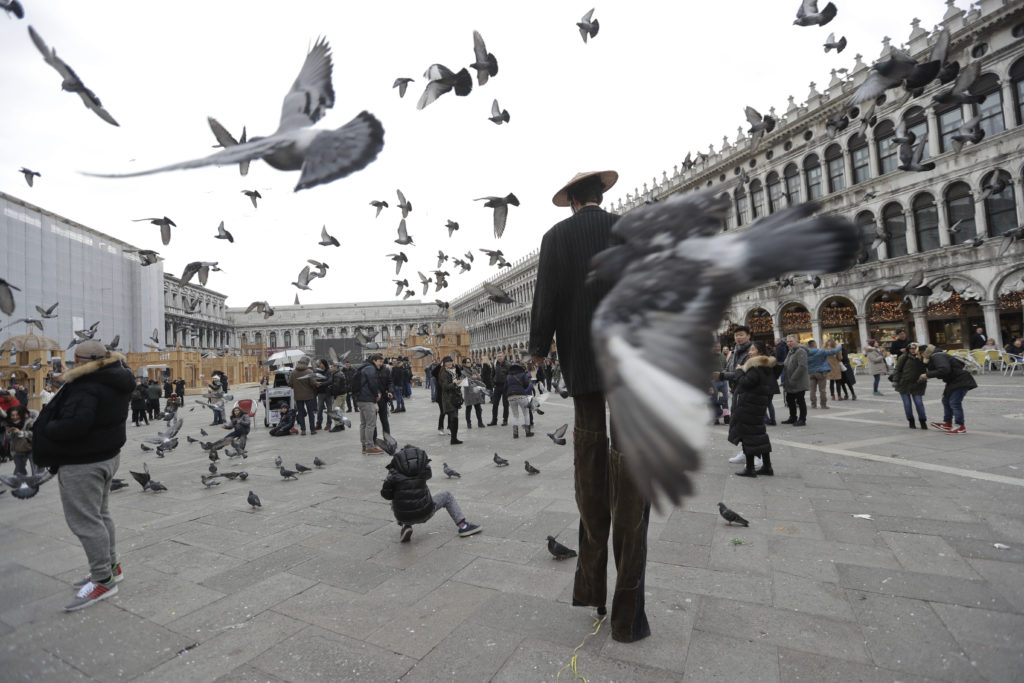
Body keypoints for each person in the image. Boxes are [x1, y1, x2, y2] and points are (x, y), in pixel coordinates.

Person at [528, 169, 650, 643]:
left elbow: (547, 298)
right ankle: (627, 618)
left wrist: (539, 349)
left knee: (589, 467)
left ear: (573, 202)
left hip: (582, 362)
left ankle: (594, 590)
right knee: (630, 476)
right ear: (600, 197)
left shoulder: (556, 237)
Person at [31, 341, 134, 612]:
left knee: (86, 521)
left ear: (78, 359)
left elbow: (74, 425)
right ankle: (112, 566)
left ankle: (102, 580)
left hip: (83, 462)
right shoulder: (115, 376)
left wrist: (46, 427)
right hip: (107, 455)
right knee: (101, 514)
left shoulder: (86, 386)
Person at [380, 441, 481, 543]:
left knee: (395, 497)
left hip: (403, 517)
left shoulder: (393, 473)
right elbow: (429, 475)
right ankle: (463, 526)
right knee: (447, 496)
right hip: (425, 512)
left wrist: (392, 472)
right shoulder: (423, 469)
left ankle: (406, 526)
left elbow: (386, 495)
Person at [726, 341, 776, 477]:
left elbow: (745, 382)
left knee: (748, 435)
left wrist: (738, 371)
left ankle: (750, 468)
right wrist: (723, 375)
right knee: (760, 435)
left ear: (759, 352)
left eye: (752, 350)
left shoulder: (755, 366)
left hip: (749, 404)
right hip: (757, 405)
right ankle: (767, 466)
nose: (749, 352)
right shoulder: (765, 365)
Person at [920, 344, 977, 434]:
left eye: (920, 354)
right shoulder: (936, 356)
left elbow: (944, 369)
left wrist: (927, 375)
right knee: (946, 401)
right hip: (953, 381)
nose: (920, 356)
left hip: (960, 380)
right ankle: (948, 424)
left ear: (924, 352)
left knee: (954, 402)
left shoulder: (937, 356)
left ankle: (960, 426)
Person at [889, 341, 928, 429]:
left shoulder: (922, 358)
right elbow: (897, 369)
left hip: (918, 384)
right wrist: (895, 381)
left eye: (914, 349)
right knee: (907, 404)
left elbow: (927, 369)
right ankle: (911, 420)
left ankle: (922, 421)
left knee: (919, 403)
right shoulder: (904, 357)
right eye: (911, 349)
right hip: (904, 384)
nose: (913, 350)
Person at [356, 354, 384, 454]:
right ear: (374, 361)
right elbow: (373, 383)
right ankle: (369, 447)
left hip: (360, 399)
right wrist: (376, 394)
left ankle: (364, 445)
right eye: (380, 361)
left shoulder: (363, 367)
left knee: (363, 423)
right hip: (367, 399)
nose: (381, 364)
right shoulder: (371, 368)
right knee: (370, 424)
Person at [807, 339, 843, 409]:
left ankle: (813, 405)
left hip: (811, 373)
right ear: (814, 345)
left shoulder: (806, 352)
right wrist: (839, 346)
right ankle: (823, 405)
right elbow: (833, 352)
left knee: (812, 390)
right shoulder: (820, 351)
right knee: (822, 390)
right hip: (821, 372)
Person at [781, 335, 809, 426]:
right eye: (787, 341)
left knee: (800, 400)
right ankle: (793, 417)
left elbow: (802, 366)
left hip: (798, 381)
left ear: (797, 341)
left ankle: (802, 419)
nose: (789, 343)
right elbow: (786, 364)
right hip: (789, 381)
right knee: (790, 400)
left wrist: (793, 378)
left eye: (791, 341)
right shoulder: (790, 351)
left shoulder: (801, 351)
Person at [287, 356, 318, 435]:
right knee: (311, 413)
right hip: (309, 396)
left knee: (300, 413)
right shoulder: (309, 372)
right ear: (307, 363)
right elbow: (313, 383)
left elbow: (290, 384)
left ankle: (303, 430)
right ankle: (312, 429)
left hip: (298, 396)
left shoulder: (293, 372)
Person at [436, 356, 463, 445]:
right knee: (453, 418)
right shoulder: (444, 372)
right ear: (444, 363)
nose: (450, 363)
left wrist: (459, 382)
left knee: (455, 419)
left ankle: (454, 438)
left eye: (451, 361)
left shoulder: (452, 371)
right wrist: (455, 383)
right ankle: (453, 439)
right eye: (448, 362)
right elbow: (445, 387)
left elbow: (454, 380)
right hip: (448, 399)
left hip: (454, 397)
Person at [3, 404, 36, 476]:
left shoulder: (30, 421)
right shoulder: (9, 423)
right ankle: (22, 484)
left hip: (31, 447)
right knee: (20, 471)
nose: (15, 417)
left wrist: (21, 432)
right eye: (12, 415)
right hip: (18, 450)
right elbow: (9, 439)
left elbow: (34, 434)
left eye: (17, 415)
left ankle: (34, 485)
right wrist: (9, 431)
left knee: (35, 470)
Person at [504, 359, 533, 438]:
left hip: (510, 397)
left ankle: (515, 434)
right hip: (521, 395)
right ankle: (528, 432)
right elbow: (527, 384)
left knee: (515, 416)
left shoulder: (508, 376)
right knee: (526, 414)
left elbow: (505, 387)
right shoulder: (522, 374)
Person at [461, 358, 486, 429]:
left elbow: (480, 378)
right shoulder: (462, 372)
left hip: (476, 392)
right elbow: (464, 382)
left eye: (470, 362)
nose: (470, 363)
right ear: (464, 364)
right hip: (468, 392)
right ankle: (469, 423)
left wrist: (476, 378)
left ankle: (480, 422)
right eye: (468, 362)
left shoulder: (473, 370)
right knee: (468, 409)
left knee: (478, 408)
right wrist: (473, 379)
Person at [487, 352, 510, 426]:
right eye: (498, 356)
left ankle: (505, 420)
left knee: (505, 404)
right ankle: (494, 420)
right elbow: (492, 375)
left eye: (501, 356)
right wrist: (493, 384)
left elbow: (510, 376)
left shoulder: (508, 364)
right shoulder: (495, 364)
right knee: (495, 404)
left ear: (504, 356)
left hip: (505, 386)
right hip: (497, 386)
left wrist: (508, 384)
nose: (499, 358)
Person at [314, 359, 335, 432]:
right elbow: (316, 380)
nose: (320, 365)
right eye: (319, 364)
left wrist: (322, 384)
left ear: (324, 364)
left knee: (329, 409)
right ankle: (319, 424)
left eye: (321, 364)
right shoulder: (318, 371)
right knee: (319, 409)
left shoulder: (329, 371)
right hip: (320, 393)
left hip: (328, 393)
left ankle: (328, 424)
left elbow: (330, 381)